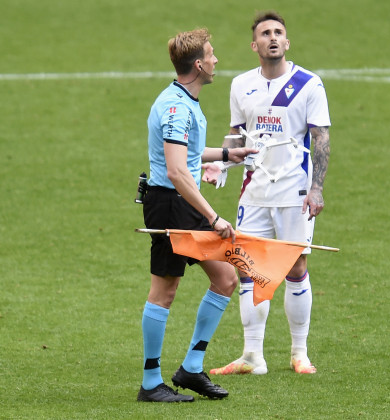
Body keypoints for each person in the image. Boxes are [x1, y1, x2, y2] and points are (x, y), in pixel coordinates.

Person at [137, 28, 258, 402]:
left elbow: (185, 155)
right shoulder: (176, 108)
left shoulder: (184, 100)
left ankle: (190, 368)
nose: (217, 59)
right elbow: (176, 171)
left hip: (181, 202)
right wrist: (214, 216)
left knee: (225, 279)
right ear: (199, 64)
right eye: (212, 54)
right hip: (172, 204)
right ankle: (151, 383)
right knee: (165, 291)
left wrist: (225, 156)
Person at [208, 11, 331, 376]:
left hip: (295, 193)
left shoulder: (309, 84)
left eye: (279, 32)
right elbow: (236, 134)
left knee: (296, 267)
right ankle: (252, 357)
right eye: (265, 33)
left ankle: (299, 353)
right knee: (248, 270)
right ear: (255, 45)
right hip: (255, 193)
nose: (273, 38)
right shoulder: (241, 85)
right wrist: (222, 163)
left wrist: (317, 188)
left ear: (287, 42)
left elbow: (321, 137)